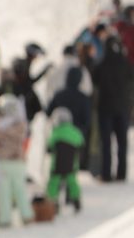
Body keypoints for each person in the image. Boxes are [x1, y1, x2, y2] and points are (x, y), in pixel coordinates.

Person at [93, 32, 132, 181]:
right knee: (122, 143)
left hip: (106, 108)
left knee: (106, 143)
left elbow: (94, 80)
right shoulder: (125, 63)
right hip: (123, 108)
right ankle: (122, 174)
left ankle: (106, 174)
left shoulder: (101, 63)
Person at [0, 94, 32, 227]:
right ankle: (23, 216)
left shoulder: (0, 124)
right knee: (14, 190)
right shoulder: (20, 123)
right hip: (13, 161)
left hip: (7, 161)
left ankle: (8, 218)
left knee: (8, 191)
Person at [46, 66, 92, 175]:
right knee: (72, 162)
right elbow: (87, 120)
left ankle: (55, 183)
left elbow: (48, 112)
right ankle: (71, 184)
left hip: (58, 134)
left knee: (56, 161)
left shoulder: (59, 94)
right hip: (75, 136)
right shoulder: (83, 98)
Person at [47, 107, 85, 213]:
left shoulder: (55, 133)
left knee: (54, 183)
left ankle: (53, 202)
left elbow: (49, 147)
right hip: (72, 165)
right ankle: (76, 200)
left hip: (57, 165)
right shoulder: (75, 132)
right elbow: (81, 144)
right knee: (72, 183)